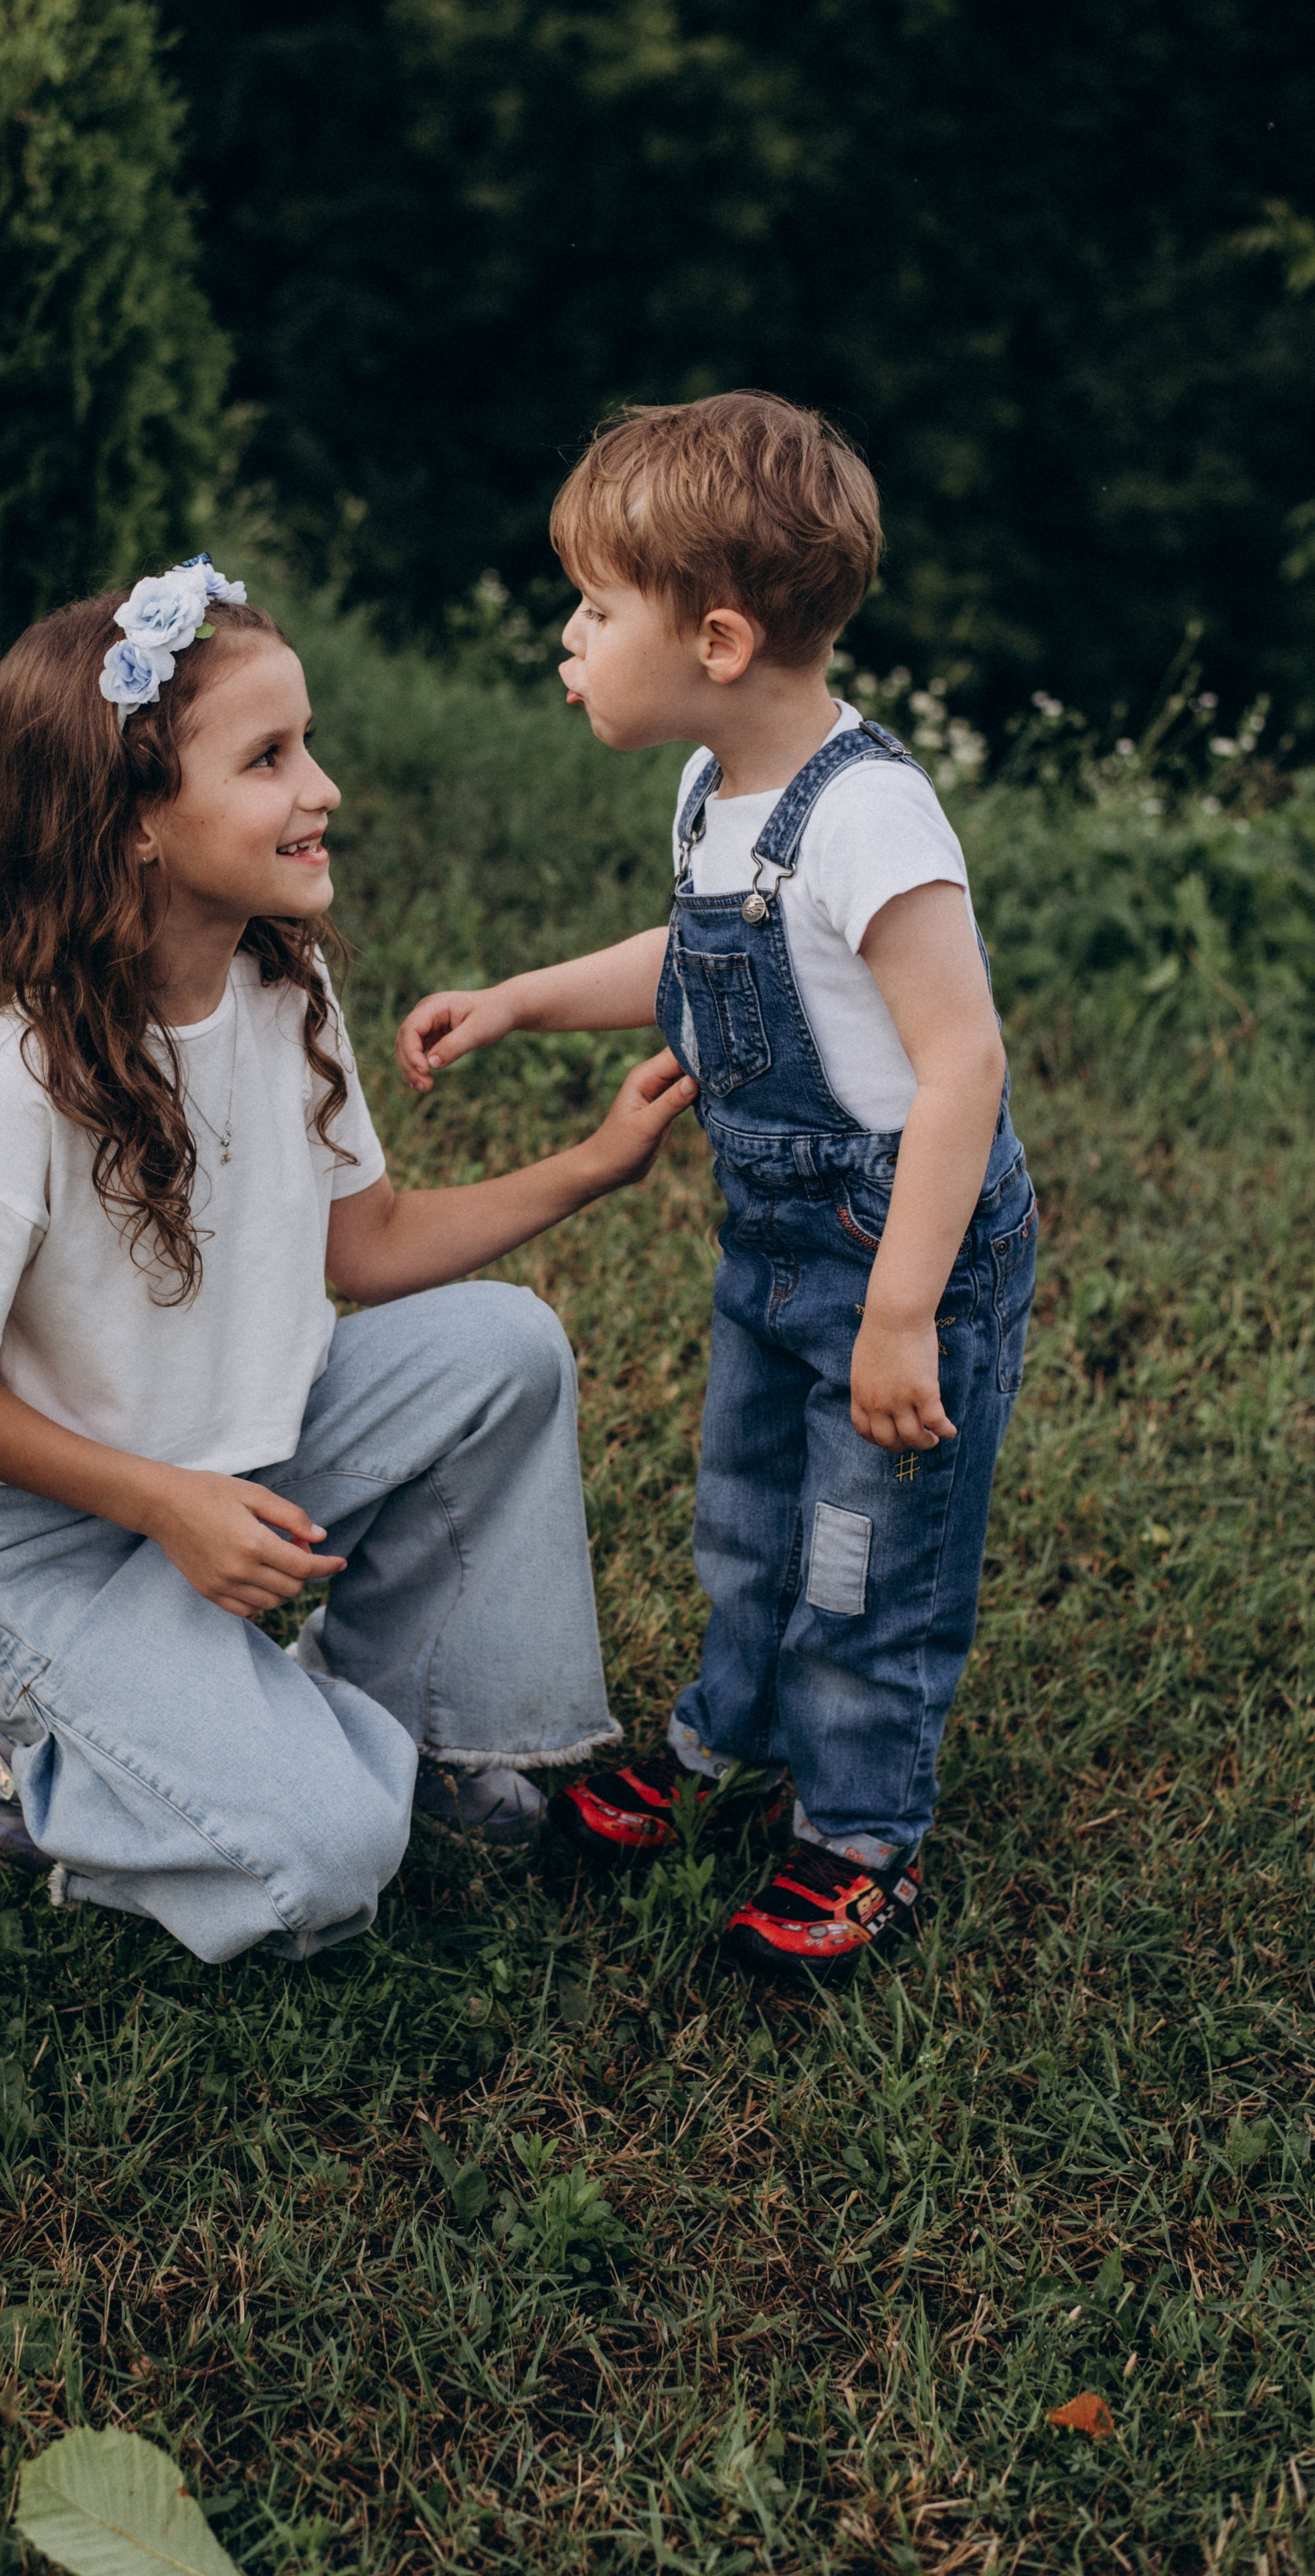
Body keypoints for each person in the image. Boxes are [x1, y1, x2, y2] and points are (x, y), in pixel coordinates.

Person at [0, 558, 698, 1965]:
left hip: (228, 1456)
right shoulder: (17, 1091)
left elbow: (364, 1249)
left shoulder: (276, 979)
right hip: (30, 1549)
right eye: (267, 758)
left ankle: (398, 1722)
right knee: (327, 1863)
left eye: (304, 743)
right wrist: (164, 1504)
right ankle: (33, 1765)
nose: (321, 788)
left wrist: (586, 1166)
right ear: (131, 823)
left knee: (502, 1349)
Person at [396, 396, 1037, 1980]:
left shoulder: (870, 818)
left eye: (595, 609)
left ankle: (857, 1826)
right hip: (775, 1250)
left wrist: (898, 1315)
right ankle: (720, 1735)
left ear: (720, 637)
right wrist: (521, 998)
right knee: (747, 1509)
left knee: (860, 1546)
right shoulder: (712, 789)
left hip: (903, 1263)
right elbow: (694, 959)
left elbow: (960, 1069)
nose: (568, 635)